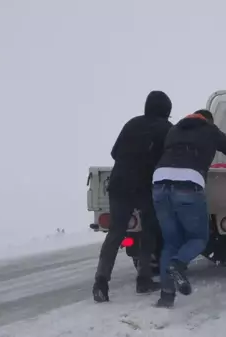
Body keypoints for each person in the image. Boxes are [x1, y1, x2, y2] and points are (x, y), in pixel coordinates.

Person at [152, 109, 226, 308]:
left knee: (171, 241)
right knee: (198, 238)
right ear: (207, 121)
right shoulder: (210, 130)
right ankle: (178, 264)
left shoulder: (174, 130)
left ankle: (166, 296)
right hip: (188, 184)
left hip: (159, 183)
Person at [92, 90, 173, 302]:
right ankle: (144, 279)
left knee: (115, 233)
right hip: (146, 187)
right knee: (149, 232)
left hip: (119, 184)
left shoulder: (132, 124)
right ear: (166, 110)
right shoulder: (167, 129)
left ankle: (100, 283)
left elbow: (114, 153)